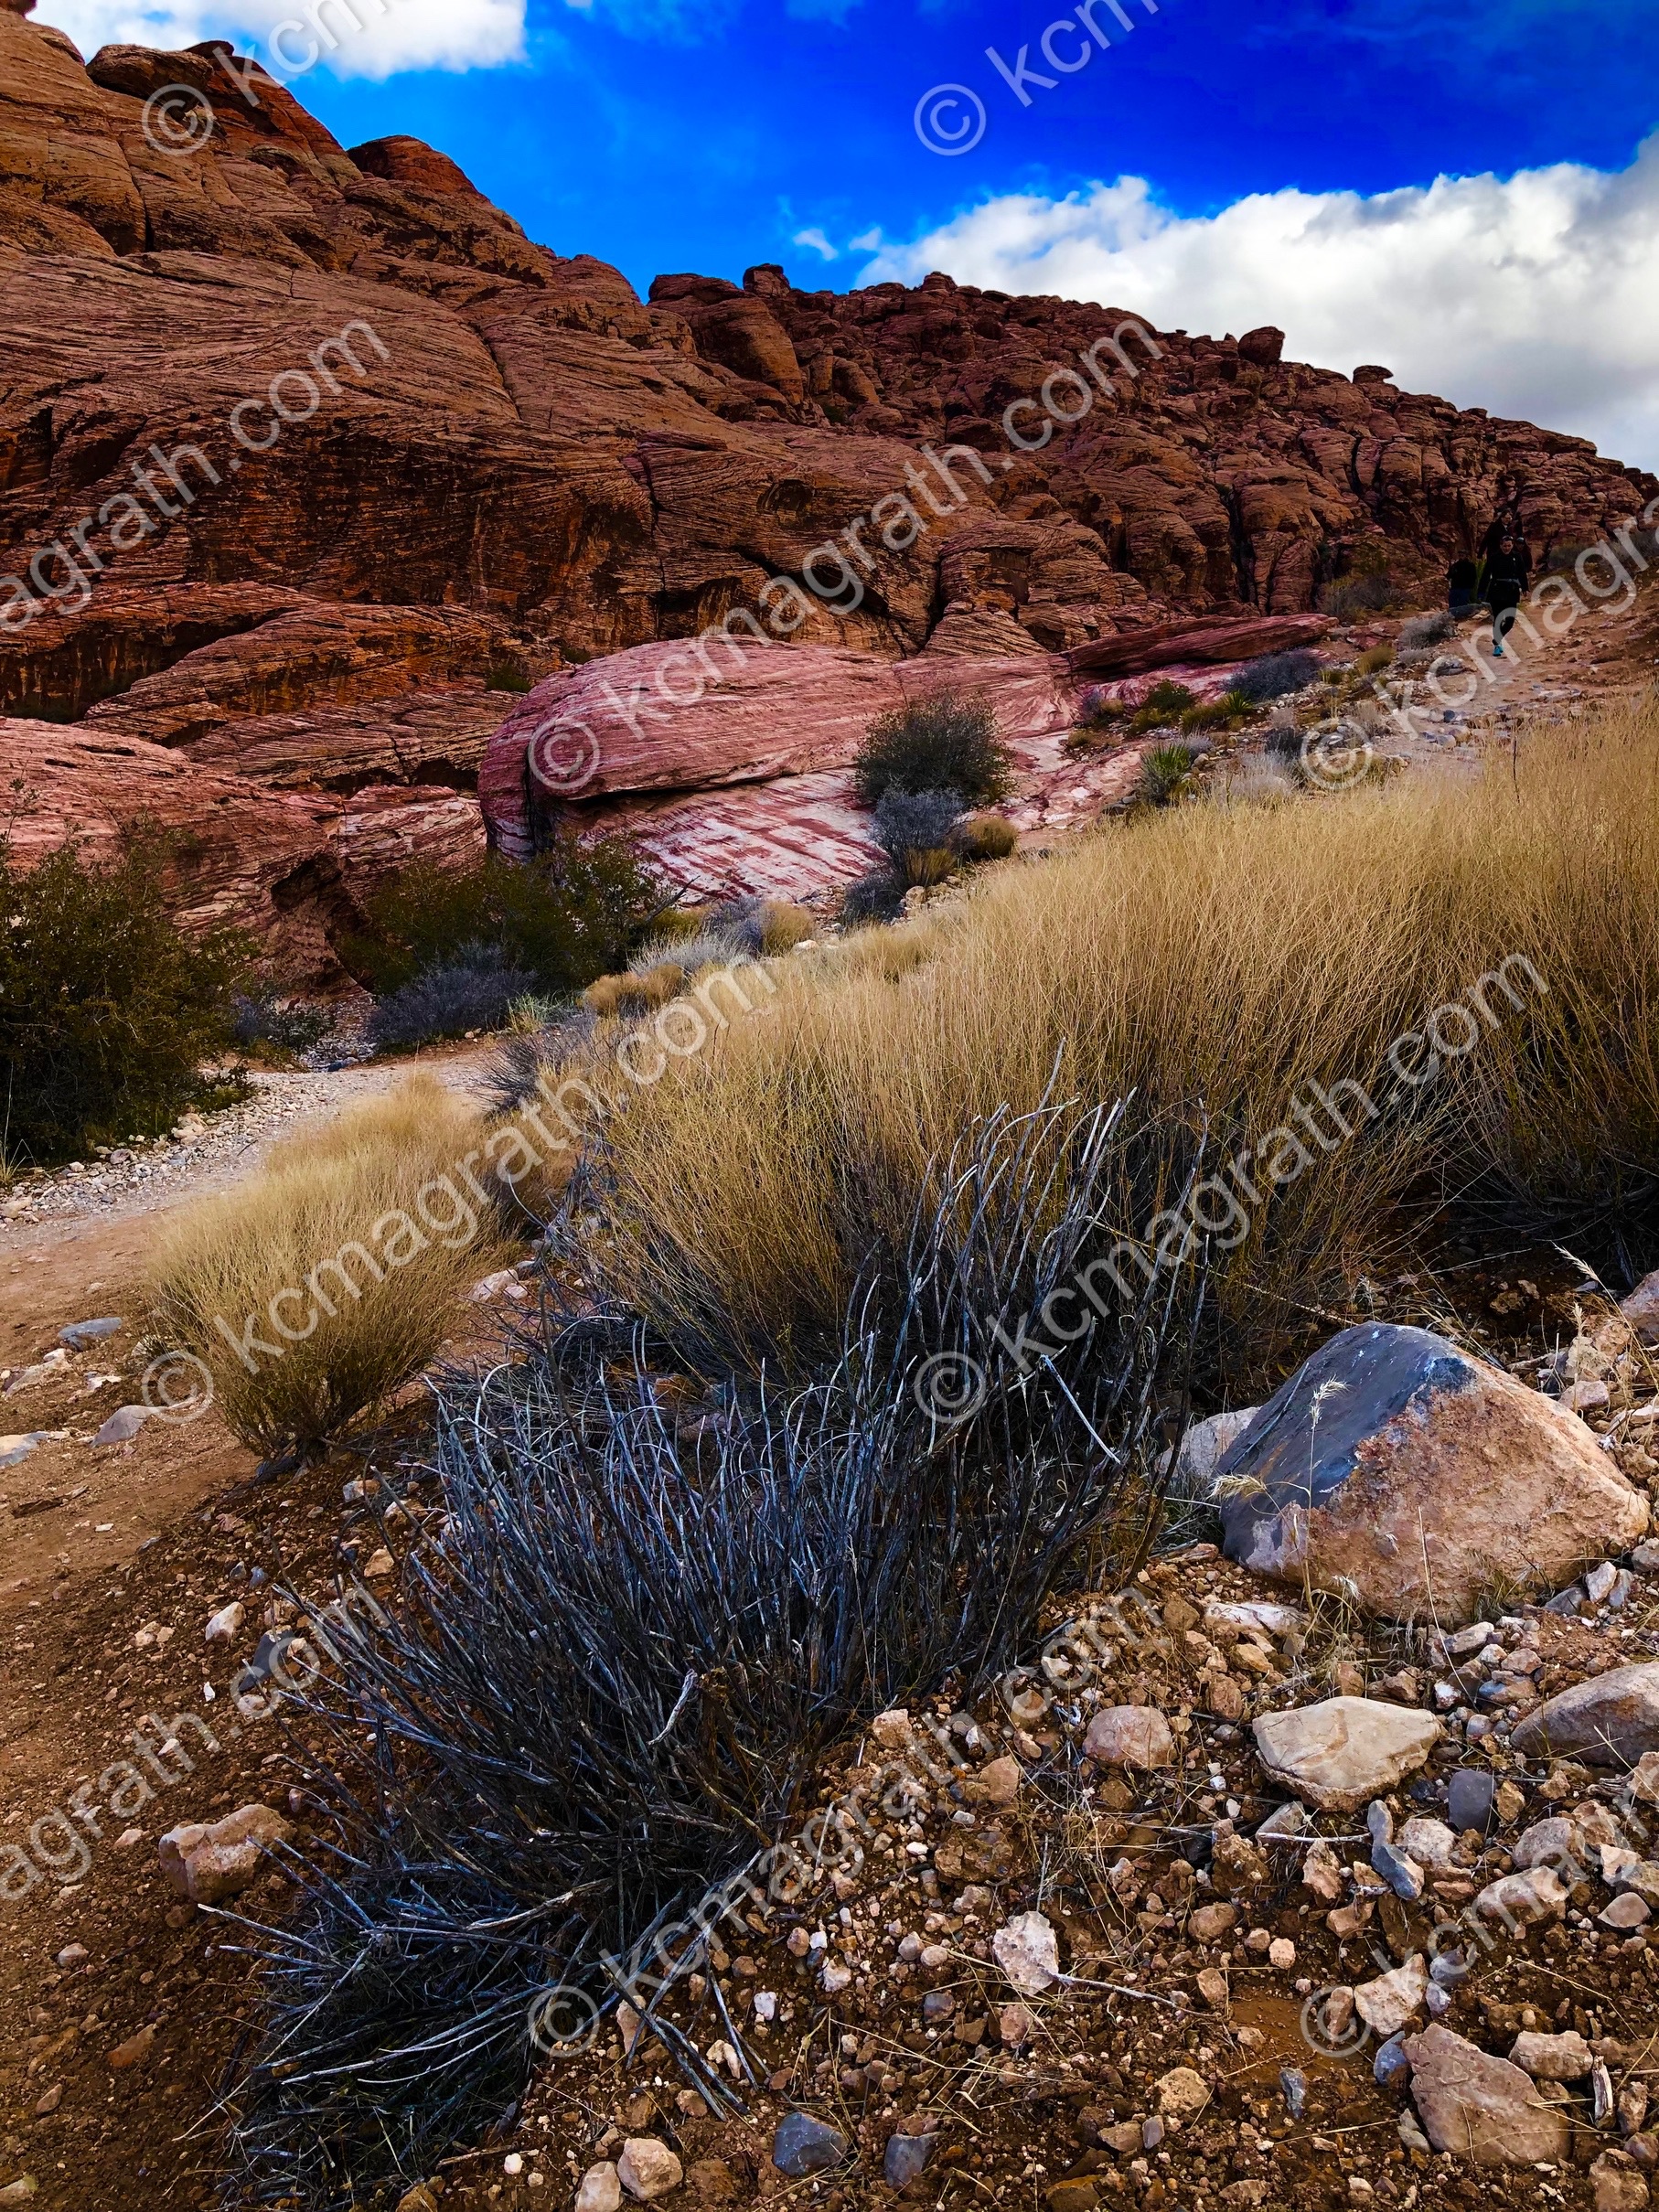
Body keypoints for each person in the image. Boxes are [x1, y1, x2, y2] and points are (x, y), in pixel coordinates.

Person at [1478, 529, 1529, 656]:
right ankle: (1497, 645)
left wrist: (1525, 587)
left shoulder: (1517, 557)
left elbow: (1522, 573)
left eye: (1509, 546)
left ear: (1512, 546)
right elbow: (1486, 574)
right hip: (1497, 591)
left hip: (1512, 591)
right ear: (1500, 545)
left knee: (1510, 620)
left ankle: (1497, 639)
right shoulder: (1494, 557)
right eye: (1504, 546)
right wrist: (1481, 591)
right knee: (1498, 618)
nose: (1507, 548)